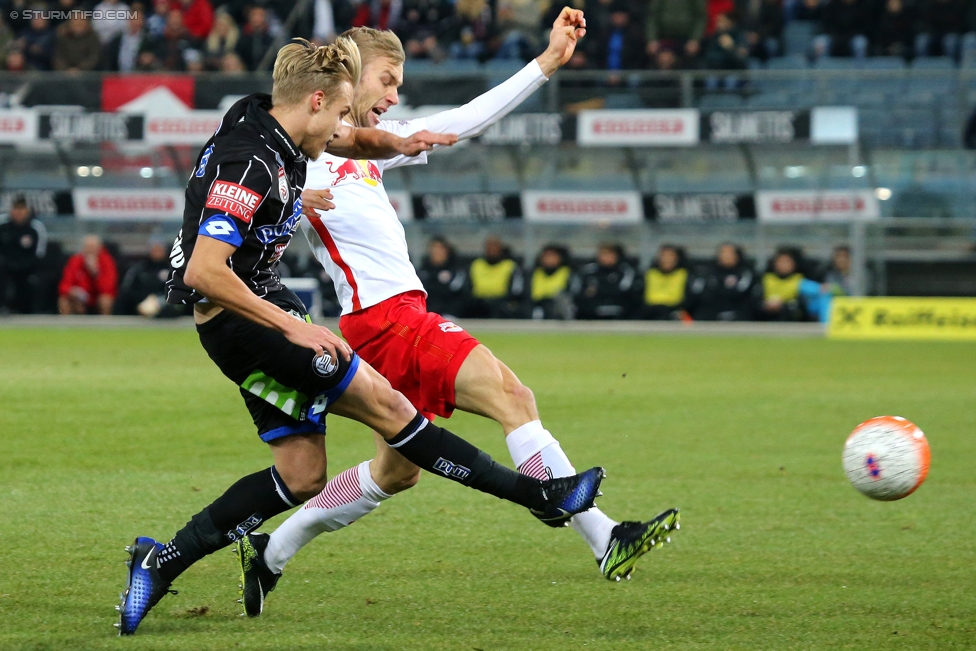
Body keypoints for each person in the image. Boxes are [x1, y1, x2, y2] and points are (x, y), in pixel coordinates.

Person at [117, 37, 603, 636]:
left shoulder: (270, 120)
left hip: (256, 311)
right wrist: (298, 327)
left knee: (302, 476)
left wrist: (404, 142)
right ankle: (543, 497)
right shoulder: (249, 162)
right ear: (317, 100)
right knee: (391, 409)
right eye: (340, 116)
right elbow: (205, 272)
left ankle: (160, 561)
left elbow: (357, 142)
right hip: (247, 322)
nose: (343, 132)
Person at [256, 16, 679, 621]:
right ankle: (604, 537)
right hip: (387, 321)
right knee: (513, 396)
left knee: (395, 473)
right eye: (388, 80)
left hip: (385, 325)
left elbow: (461, 121)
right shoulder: (303, 153)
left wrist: (546, 64)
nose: (395, 97)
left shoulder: (368, 146)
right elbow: (243, 198)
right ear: (350, 74)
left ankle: (274, 548)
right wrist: (294, 198)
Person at [0, 196, 47, 314]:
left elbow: (39, 253)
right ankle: (3, 307)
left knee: (32, 280)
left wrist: (24, 265)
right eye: (16, 209)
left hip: (27, 266)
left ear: (27, 211)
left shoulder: (35, 227)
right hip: (5, 265)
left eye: (21, 210)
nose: (18, 213)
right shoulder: (3, 225)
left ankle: (28, 310)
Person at [689, 243, 759, 321]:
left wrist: (717, 288)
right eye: (722, 252)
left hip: (737, 311)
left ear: (737, 255)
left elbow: (739, 292)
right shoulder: (707, 272)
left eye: (729, 253)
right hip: (711, 311)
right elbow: (700, 292)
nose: (725, 256)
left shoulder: (745, 272)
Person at [116, 237, 184, 317]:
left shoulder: (175, 270)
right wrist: (144, 301)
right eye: (154, 248)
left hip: (169, 309)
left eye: (160, 249)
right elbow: (126, 291)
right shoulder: (138, 269)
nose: (157, 252)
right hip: (142, 310)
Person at [573, 243, 639, 319]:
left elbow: (624, 291)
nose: (605, 258)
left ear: (617, 256)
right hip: (590, 310)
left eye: (609, 254)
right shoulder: (587, 271)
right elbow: (578, 292)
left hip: (618, 309)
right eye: (602, 254)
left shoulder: (625, 271)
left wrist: (597, 290)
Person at [58, 235, 118, 315]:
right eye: (88, 247)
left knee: (105, 300)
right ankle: (66, 325)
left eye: (93, 247)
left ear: (99, 248)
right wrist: (72, 291)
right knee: (63, 300)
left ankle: (104, 325)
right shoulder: (75, 261)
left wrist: (95, 273)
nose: (90, 250)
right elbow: (64, 285)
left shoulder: (107, 261)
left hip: (97, 297)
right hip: (80, 298)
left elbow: (109, 288)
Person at [467, 236, 525, 318]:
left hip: (502, 303)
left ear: (500, 248)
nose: (492, 250)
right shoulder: (476, 265)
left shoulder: (510, 266)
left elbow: (516, 289)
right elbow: (467, 286)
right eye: (489, 247)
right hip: (478, 303)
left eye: (495, 246)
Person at [416, 236, 467, 318]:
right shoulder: (422, 271)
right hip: (426, 313)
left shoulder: (455, 269)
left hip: (449, 314)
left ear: (446, 251)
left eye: (439, 248)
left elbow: (456, 290)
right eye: (433, 248)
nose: (436, 252)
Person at [640, 244, 689, 321]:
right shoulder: (650, 274)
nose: (667, 259)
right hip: (650, 310)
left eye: (670, 256)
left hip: (674, 310)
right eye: (663, 255)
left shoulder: (684, 274)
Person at [760, 248, 807, 321]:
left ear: (794, 264)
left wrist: (783, 305)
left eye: (787, 261)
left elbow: (803, 304)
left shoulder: (800, 280)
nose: (783, 265)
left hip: (792, 319)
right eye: (780, 261)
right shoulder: (766, 278)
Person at [529, 244, 573, 320]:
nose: (549, 259)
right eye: (546, 256)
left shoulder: (567, 272)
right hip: (537, 305)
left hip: (557, 307)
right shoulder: (535, 273)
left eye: (552, 256)